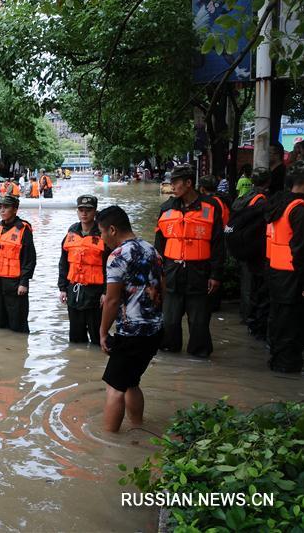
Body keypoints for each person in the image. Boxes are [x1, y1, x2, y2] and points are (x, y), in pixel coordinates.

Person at [96, 205, 163, 433]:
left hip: (131, 333)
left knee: (114, 386)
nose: (102, 239)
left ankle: (109, 443)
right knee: (131, 381)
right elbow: (161, 288)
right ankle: (138, 427)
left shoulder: (117, 257)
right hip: (154, 330)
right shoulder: (151, 250)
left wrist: (103, 331)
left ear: (112, 230)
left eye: (102, 233)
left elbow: (112, 301)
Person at [155, 164, 224, 358]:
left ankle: (199, 356)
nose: (172, 186)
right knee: (169, 322)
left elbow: (218, 244)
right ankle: (170, 356)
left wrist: (216, 275)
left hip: (200, 273)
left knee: (199, 322)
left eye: (175, 182)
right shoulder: (166, 208)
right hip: (172, 274)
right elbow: (158, 247)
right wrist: (158, 275)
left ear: (188, 183)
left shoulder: (211, 207)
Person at [264, 160, 304, 373]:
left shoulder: (278, 204)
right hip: (293, 276)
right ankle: (286, 367)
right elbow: (301, 250)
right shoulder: (299, 210)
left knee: (279, 320)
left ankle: (276, 361)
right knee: (292, 325)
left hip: (275, 272)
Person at [58, 195, 107, 343]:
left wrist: (106, 292)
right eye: (81, 210)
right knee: (75, 338)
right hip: (74, 291)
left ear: (95, 212)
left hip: (95, 294)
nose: (84, 213)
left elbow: (110, 266)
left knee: (97, 338)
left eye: (88, 210)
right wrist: (62, 288)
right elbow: (64, 262)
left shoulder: (103, 233)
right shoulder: (71, 232)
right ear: (77, 211)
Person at [231, 167, 271, 339]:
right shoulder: (260, 200)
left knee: (247, 285)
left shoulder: (245, 196)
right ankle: (251, 321)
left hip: (241, 246)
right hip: (254, 249)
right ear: (268, 182)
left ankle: (246, 316)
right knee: (253, 286)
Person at [0, 194, 36, 332]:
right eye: (0, 207)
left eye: (6, 207)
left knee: (17, 325)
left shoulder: (23, 229)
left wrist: (24, 282)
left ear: (15, 209)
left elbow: (30, 259)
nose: (2, 210)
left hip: (15, 285)